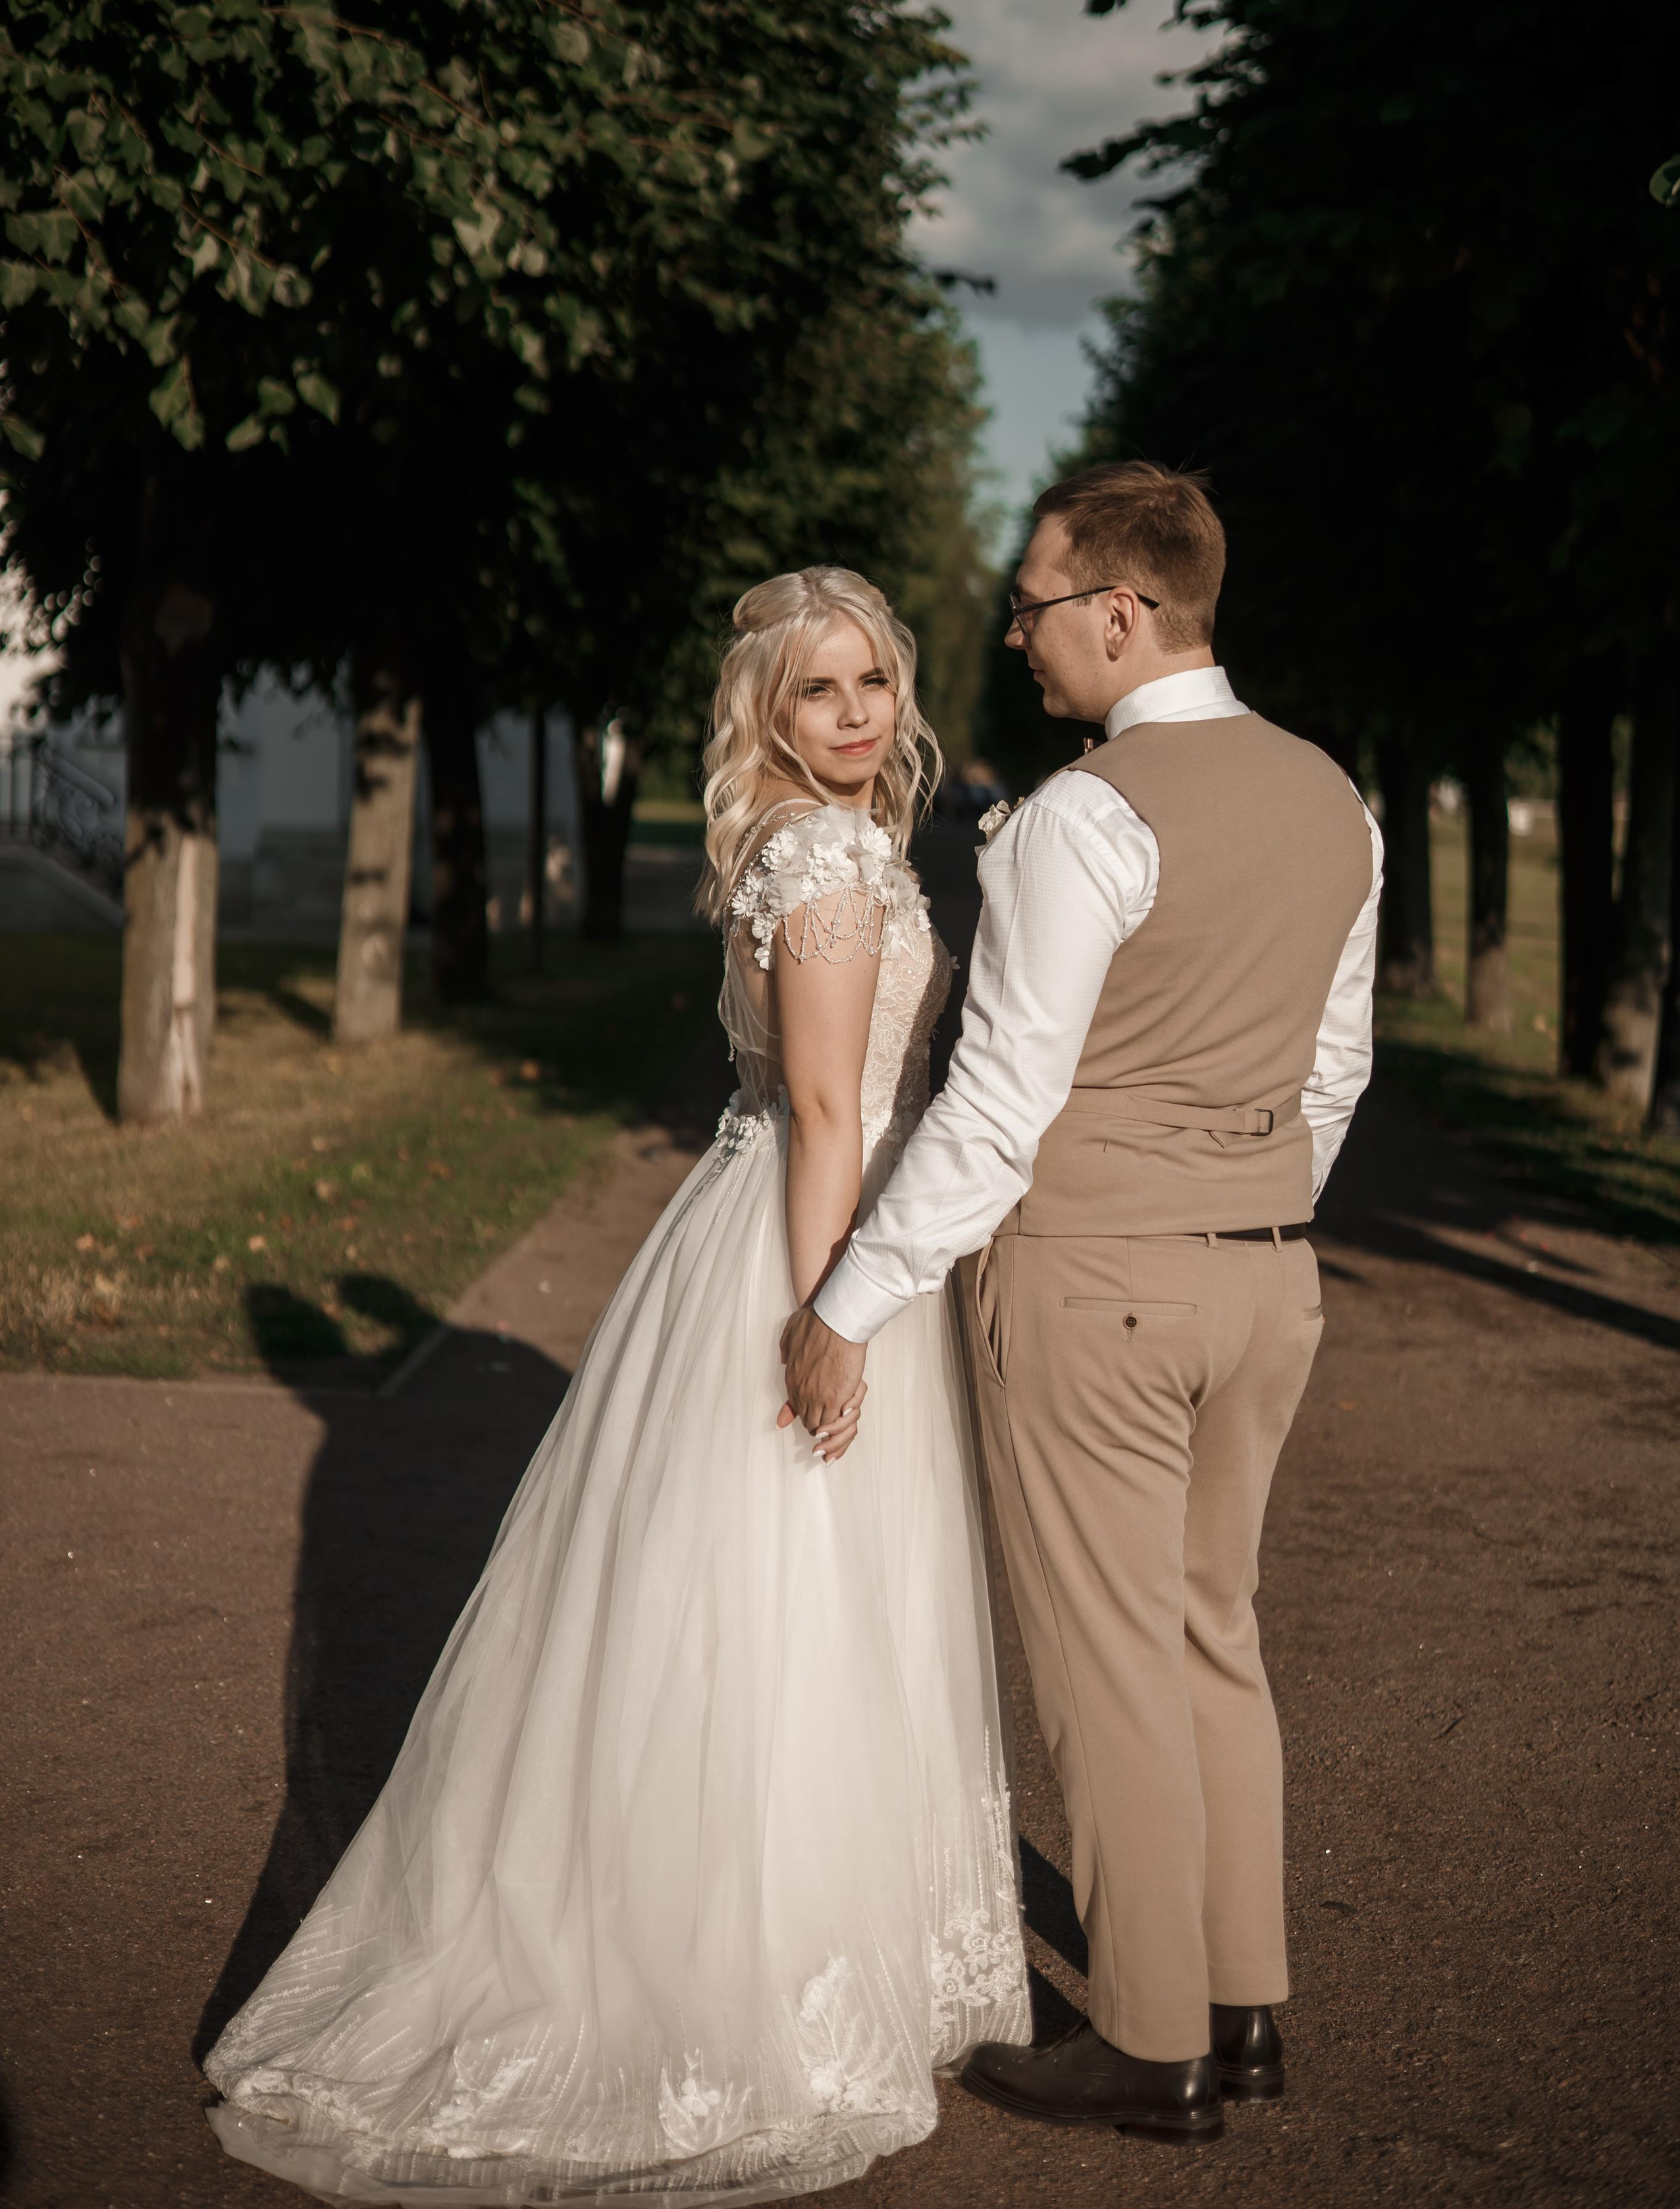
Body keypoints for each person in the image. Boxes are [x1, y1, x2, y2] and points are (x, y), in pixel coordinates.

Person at [205, 567, 1029, 2203]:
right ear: (767, 715)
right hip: (807, 1241)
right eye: (819, 693)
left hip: (793, 1226)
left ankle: (812, 1932)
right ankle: (745, 1960)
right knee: (784, 1593)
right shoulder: (825, 854)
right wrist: (830, 1318)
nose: (858, 714)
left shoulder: (813, 845)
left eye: (873, 682)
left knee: (769, 1608)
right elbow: (819, 1105)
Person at [783, 463, 1382, 2148]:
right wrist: (1239, 1205)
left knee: (1111, 1659)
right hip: (1268, 1275)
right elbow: (1329, 1075)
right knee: (1212, 1631)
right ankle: (1243, 2002)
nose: (1018, 631)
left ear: (1122, 611)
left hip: (1093, 1284)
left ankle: (1144, 2035)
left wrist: (854, 1296)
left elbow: (995, 1106)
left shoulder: (1081, 820)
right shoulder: (1337, 800)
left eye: (1037, 601)